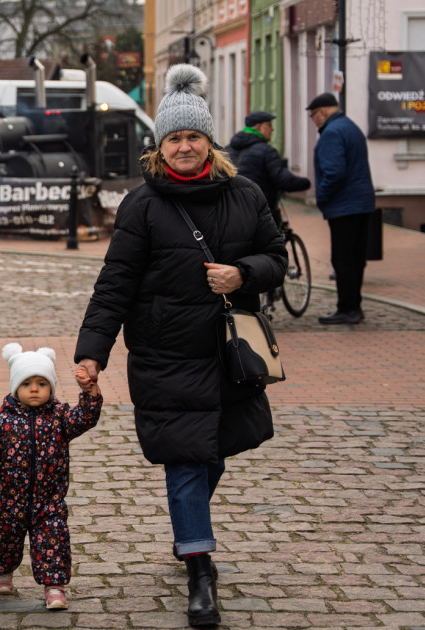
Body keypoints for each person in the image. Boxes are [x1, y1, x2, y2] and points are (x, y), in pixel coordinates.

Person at [74, 64, 287, 628]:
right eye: (174, 138)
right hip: (165, 356)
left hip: (227, 353)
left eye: (193, 136)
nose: (185, 146)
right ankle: (199, 568)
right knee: (187, 460)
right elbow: (114, 284)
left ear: (209, 141)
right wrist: (92, 351)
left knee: (212, 451)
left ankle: (191, 536)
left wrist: (243, 274)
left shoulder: (246, 195)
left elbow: (276, 259)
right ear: (159, 146)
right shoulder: (142, 206)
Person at [0, 344, 102, 610]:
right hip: (7, 500)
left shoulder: (60, 417)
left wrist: (89, 393)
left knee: (53, 540)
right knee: (2, 539)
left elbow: (85, 418)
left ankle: (54, 587)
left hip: (49, 501)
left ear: (51, 388)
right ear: (15, 388)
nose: (35, 389)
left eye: (42, 383)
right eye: (27, 383)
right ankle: (2, 573)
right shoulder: (4, 422)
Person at [307, 92, 375, 325]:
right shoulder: (351, 127)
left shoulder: (332, 133)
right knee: (356, 258)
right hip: (361, 203)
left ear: (322, 113)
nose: (314, 121)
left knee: (343, 259)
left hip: (344, 205)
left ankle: (347, 308)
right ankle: (354, 306)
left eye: (313, 116)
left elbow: (334, 172)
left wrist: (322, 197)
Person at [227, 111, 311, 229]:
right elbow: (283, 180)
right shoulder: (267, 151)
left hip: (230, 211)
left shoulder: (227, 149)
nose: (272, 129)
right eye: (269, 125)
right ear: (258, 126)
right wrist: (306, 183)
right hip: (261, 211)